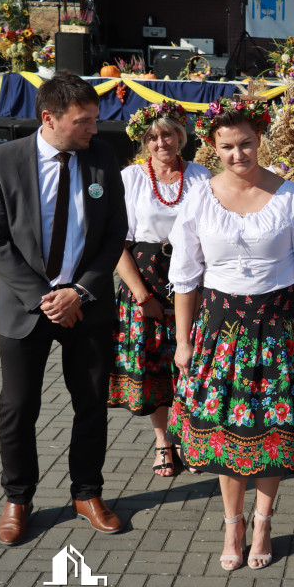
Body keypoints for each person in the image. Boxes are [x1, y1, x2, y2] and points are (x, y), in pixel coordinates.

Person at [167, 96, 294, 572]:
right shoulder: (199, 196)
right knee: (225, 431)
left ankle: (263, 521)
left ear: (260, 141)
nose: (238, 155)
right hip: (218, 329)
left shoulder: (291, 195)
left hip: (275, 325)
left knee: (271, 430)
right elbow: (185, 274)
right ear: (213, 147)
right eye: (228, 147)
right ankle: (232, 523)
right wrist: (182, 340)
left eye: (246, 144)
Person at [0, 70, 128, 546]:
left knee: (91, 403)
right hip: (27, 308)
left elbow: (113, 235)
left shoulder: (103, 156)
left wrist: (79, 292)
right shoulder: (3, 161)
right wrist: (45, 297)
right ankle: (18, 498)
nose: (93, 129)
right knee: (19, 407)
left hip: (87, 306)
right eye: (83, 122)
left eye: (95, 120)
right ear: (49, 119)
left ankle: (87, 492)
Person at [107, 101, 211, 477]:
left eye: (167, 134)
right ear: (144, 141)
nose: (160, 142)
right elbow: (114, 241)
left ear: (180, 136)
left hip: (192, 282)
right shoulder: (132, 178)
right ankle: (163, 441)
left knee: (192, 365)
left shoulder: (201, 176)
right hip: (145, 280)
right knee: (154, 369)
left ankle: (190, 437)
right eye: (152, 136)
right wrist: (142, 295)